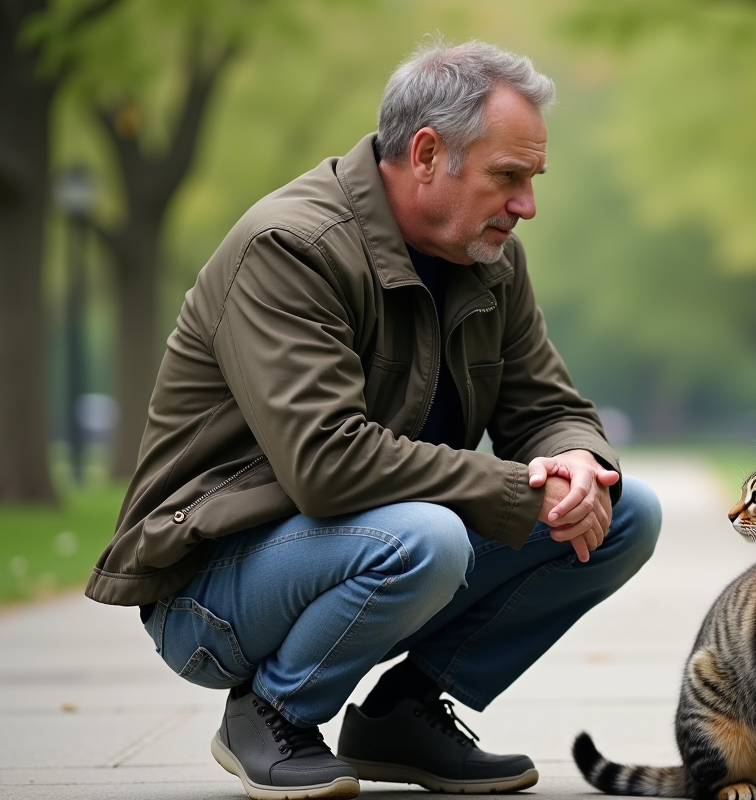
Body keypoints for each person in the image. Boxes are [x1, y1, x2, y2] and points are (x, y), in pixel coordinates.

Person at [85, 40, 662, 800]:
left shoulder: (490, 258)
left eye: (532, 179)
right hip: (209, 590)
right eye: (508, 177)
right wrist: (518, 484)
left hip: (378, 546)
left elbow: (548, 408)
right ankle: (272, 713)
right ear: (427, 154)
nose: (527, 205)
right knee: (428, 535)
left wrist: (579, 464)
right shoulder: (290, 247)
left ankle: (401, 717)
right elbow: (327, 465)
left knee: (625, 511)